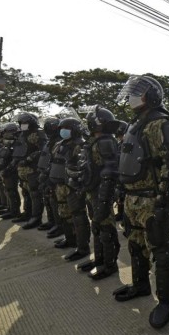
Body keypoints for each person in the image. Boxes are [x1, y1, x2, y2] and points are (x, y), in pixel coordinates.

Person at [112, 74, 169, 329]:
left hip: (152, 200)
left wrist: (163, 201)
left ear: (151, 96)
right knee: (135, 245)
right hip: (132, 198)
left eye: (137, 92)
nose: (131, 97)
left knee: (161, 253)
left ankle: (166, 301)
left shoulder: (161, 124)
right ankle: (141, 284)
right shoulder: (135, 125)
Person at [71, 105, 122, 280]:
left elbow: (110, 173)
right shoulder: (94, 142)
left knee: (106, 229)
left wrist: (105, 199)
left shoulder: (106, 142)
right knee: (97, 226)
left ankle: (110, 264)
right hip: (93, 191)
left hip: (102, 192)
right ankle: (99, 260)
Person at [49, 117, 90, 261]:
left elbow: (82, 167)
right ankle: (70, 239)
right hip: (59, 184)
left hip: (72, 186)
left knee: (78, 216)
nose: (63, 131)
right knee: (63, 213)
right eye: (61, 128)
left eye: (66, 128)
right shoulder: (59, 144)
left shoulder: (80, 145)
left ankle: (83, 247)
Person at [11, 112, 48, 229]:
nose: (22, 124)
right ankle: (27, 213)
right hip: (21, 169)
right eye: (21, 122)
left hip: (33, 168)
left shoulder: (39, 133)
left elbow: (44, 150)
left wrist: (29, 158)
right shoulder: (21, 134)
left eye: (25, 122)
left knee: (35, 193)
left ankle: (36, 217)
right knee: (25, 192)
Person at [37, 117, 62, 236]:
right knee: (47, 199)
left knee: (54, 201)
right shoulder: (50, 140)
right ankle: (51, 221)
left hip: (53, 175)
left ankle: (59, 224)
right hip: (46, 173)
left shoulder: (59, 141)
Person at [0, 123, 21, 221]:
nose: (7, 135)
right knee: (7, 190)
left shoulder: (17, 144)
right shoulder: (7, 144)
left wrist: (8, 169)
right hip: (5, 170)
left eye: (9, 132)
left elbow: (15, 159)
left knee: (12, 190)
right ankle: (10, 208)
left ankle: (15, 211)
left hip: (11, 171)